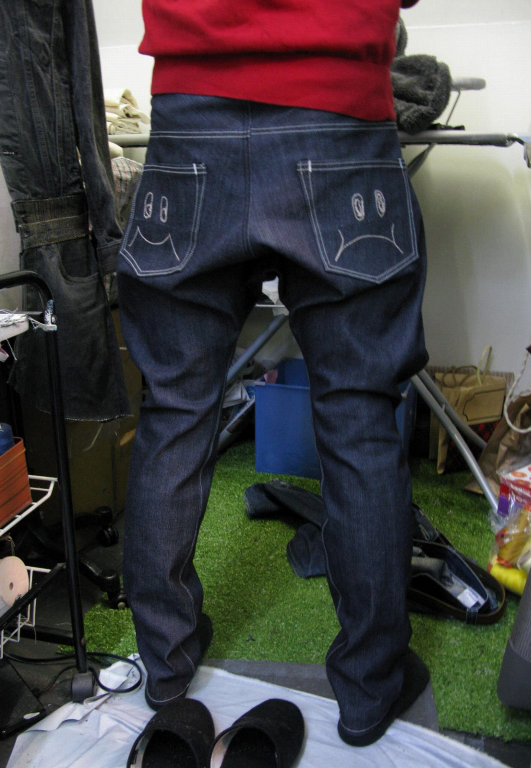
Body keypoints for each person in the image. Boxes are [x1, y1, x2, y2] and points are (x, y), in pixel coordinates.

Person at [117, 0, 430, 748]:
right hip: (339, 117)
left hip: (190, 120)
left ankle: (165, 663)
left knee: (176, 406)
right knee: (358, 412)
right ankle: (370, 686)